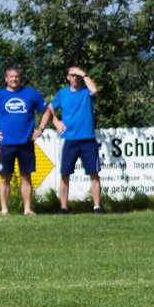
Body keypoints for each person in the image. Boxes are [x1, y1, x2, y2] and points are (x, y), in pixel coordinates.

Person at [0, 66, 48, 216]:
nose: (14, 79)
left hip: (26, 144)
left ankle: (27, 209)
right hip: (6, 145)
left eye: (16, 76)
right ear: (6, 79)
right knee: (5, 178)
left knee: (26, 177)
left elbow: (47, 111)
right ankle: (4, 209)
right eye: (11, 77)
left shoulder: (31, 94)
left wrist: (40, 129)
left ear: (20, 78)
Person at [47, 65, 103, 214]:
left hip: (88, 139)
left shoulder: (86, 91)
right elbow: (49, 109)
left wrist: (83, 73)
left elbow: (95, 90)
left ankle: (97, 206)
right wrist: (56, 122)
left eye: (77, 75)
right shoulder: (63, 93)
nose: (74, 78)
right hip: (69, 139)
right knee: (65, 174)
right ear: (67, 77)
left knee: (94, 173)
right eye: (72, 75)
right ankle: (64, 207)